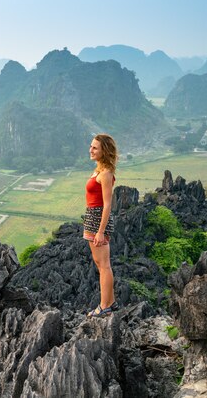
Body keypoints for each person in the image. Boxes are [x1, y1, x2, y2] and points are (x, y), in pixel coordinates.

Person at [84, 134, 118, 317]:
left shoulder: (105, 174)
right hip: (92, 217)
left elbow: (107, 205)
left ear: (104, 150)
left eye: (95, 147)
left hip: (98, 219)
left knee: (104, 265)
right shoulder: (99, 169)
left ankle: (104, 306)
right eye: (91, 146)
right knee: (100, 263)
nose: (91, 150)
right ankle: (110, 302)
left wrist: (100, 231)